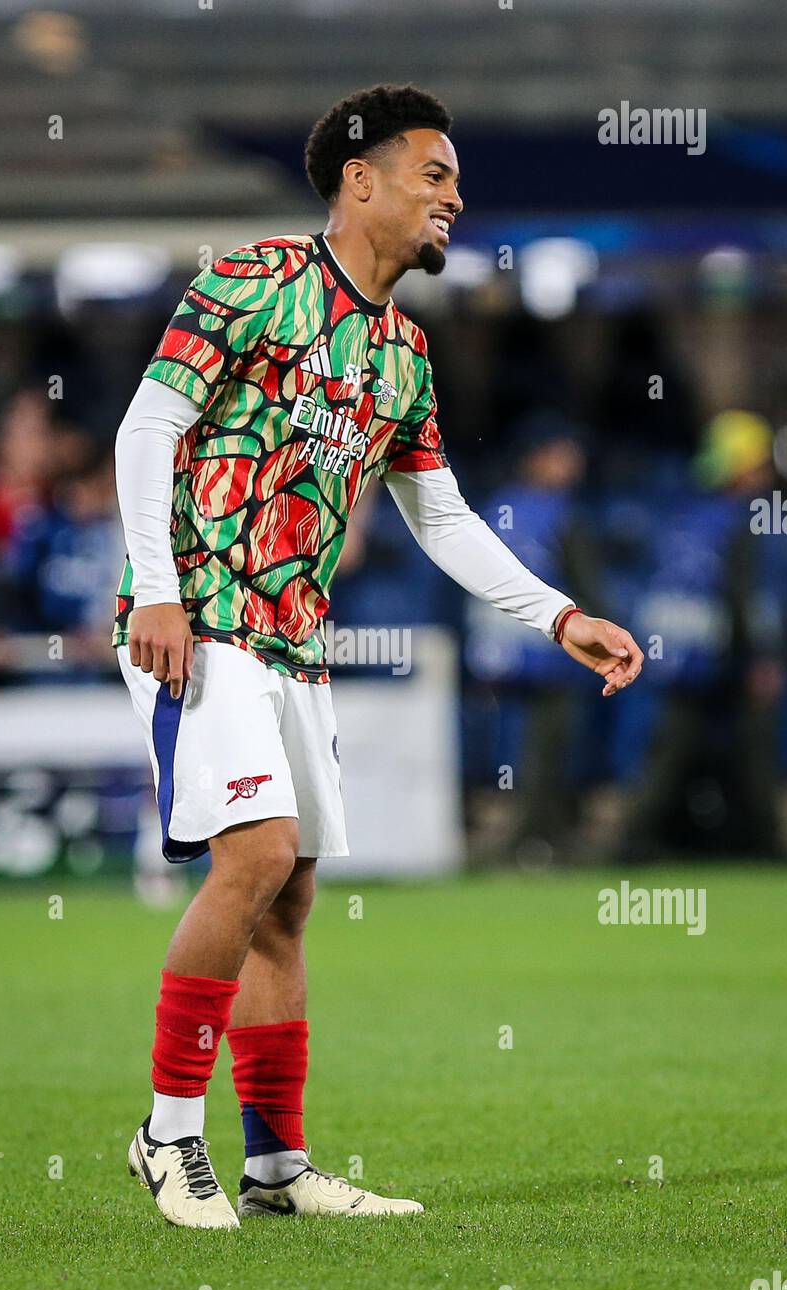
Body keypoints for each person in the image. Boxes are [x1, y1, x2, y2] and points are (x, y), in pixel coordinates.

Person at [112, 83, 644, 1229]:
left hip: (296, 641)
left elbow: (442, 519)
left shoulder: (402, 353)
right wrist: (156, 587)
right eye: (435, 175)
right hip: (200, 615)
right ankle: (165, 1136)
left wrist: (558, 614)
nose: (456, 196)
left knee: (291, 900)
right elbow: (147, 425)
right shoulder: (256, 279)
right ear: (364, 180)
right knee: (253, 857)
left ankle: (277, 1167)